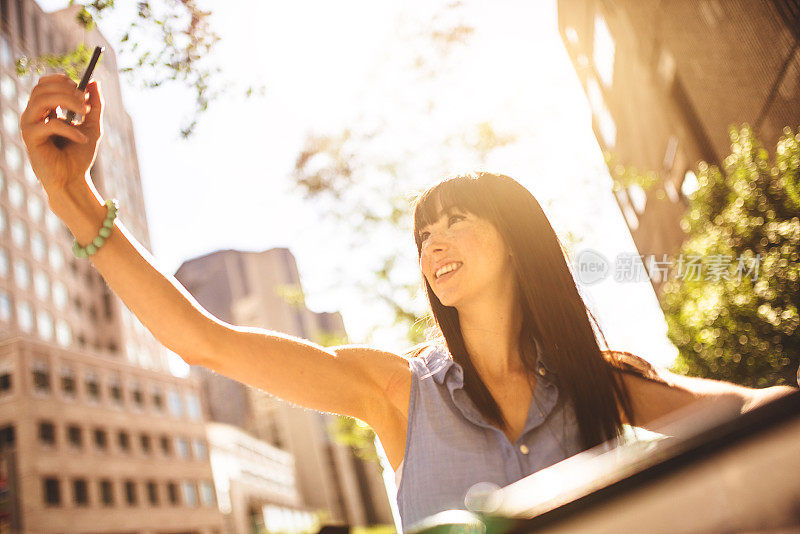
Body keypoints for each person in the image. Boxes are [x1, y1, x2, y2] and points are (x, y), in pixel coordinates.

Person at [21, 75, 795, 531]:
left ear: (521, 244)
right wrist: (75, 199)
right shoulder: (397, 390)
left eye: (457, 221)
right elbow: (204, 341)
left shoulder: (604, 384)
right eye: (424, 232)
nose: (433, 243)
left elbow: (753, 412)